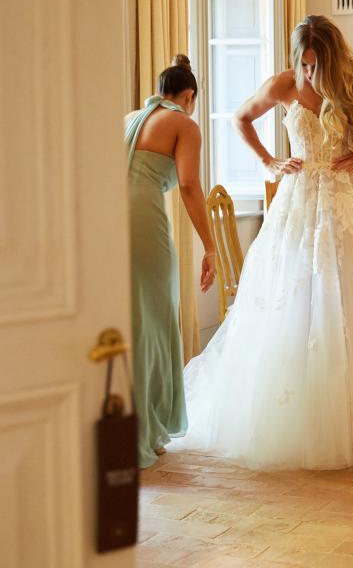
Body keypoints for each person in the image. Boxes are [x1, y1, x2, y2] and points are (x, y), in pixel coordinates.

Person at [172, 16, 353, 470]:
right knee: (295, 299)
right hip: (298, 203)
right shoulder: (284, 84)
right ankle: (299, 412)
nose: (311, 73)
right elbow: (241, 117)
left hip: (346, 201)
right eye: (304, 63)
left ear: (334, 56)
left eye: (318, 63)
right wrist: (269, 160)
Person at [124, 55, 217, 469]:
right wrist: (210, 246)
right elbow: (189, 185)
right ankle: (148, 428)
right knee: (156, 318)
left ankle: (131, 425)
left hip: (104, 218)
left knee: (128, 319)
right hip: (142, 217)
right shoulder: (184, 123)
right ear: (189, 96)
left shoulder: (130, 118)